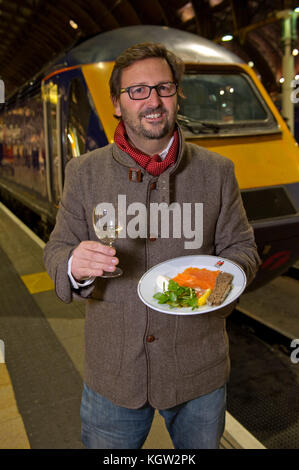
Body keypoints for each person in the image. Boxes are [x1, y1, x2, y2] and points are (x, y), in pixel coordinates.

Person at [43, 42, 260, 449]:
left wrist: (221, 284)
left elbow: (243, 249)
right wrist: (73, 262)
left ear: (177, 95)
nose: (153, 101)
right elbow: (57, 249)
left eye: (164, 87)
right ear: (116, 104)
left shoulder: (217, 172)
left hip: (199, 371)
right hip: (114, 375)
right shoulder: (84, 173)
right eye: (138, 91)